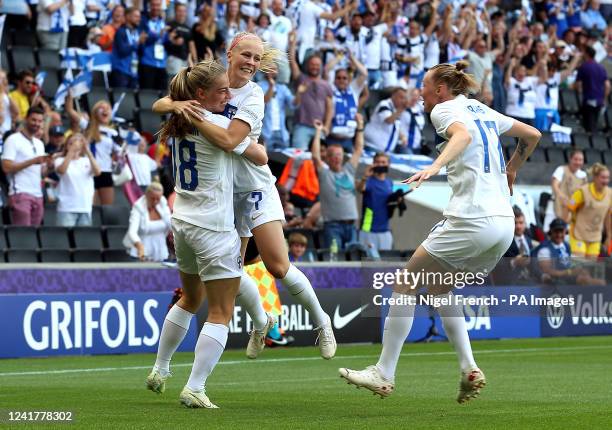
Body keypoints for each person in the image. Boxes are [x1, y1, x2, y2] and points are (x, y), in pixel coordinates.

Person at [339, 61, 542, 403]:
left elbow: (461, 135)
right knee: (438, 288)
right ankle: (468, 369)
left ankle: (384, 372)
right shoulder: (482, 108)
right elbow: (532, 135)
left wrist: (433, 166)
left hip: (472, 219)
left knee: (405, 281)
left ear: (440, 89)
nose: (420, 92)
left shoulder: (443, 110)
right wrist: (512, 169)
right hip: (503, 226)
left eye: (424, 85)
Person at [152, 32, 336, 360]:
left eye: (256, 57)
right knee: (233, 272)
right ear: (230, 52)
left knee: (277, 265)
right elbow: (163, 103)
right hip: (224, 191)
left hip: (252, 185)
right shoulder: (208, 81)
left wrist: (193, 115)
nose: (251, 62)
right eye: (246, 55)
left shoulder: (254, 95)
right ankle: (261, 321)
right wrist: (179, 105)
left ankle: (321, 321)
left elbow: (229, 139)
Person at [146, 61, 271, 408]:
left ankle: (160, 369)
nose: (228, 94)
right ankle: (195, 387)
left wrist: (171, 103)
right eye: (221, 91)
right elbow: (259, 155)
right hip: (213, 227)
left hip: (182, 221)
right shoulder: (216, 123)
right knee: (220, 311)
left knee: (189, 298)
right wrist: (249, 140)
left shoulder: (176, 119)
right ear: (200, 94)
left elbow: (160, 103)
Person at [312, 114, 364, 250]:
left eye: (339, 155)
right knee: (335, 260)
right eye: (333, 155)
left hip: (352, 226)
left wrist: (360, 127)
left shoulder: (349, 170)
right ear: (327, 158)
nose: (336, 158)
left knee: (353, 261)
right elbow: (315, 157)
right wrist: (318, 132)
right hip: (332, 226)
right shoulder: (325, 173)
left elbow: (358, 149)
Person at [66, 95, 121, 205]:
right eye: (102, 107)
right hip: (90, 171)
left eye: (108, 108)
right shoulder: (88, 126)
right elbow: (70, 110)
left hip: (106, 172)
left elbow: (118, 152)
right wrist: (70, 95)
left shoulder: (114, 132)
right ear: (95, 112)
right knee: (91, 208)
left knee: (107, 208)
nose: (105, 110)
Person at [1, 107, 49, 226]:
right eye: (33, 120)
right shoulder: (13, 140)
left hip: (38, 194)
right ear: (26, 119)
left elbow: (42, 173)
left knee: (35, 236)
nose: (37, 124)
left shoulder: (40, 144)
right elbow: (6, 167)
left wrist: (50, 166)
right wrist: (33, 161)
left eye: (40, 121)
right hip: (20, 192)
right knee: (23, 237)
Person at [288, 41, 334, 150]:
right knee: (298, 158)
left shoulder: (326, 84)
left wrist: (327, 126)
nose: (315, 67)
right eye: (312, 64)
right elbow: (292, 61)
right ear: (308, 66)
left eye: (317, 65)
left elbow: (330, 108)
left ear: (321, 66)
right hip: (301, 126)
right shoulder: (301, 78)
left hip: (319, 127)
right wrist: (292, 43)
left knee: (318, 160)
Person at [534, 218, 605, 285]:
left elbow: (567, 263)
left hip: (567, 276)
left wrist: (577, 270)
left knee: (587, 274)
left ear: (565, 232)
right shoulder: (545, 249)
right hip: (556, 280)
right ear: (551, 231)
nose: (559, 235)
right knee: (597, 283)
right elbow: (547, 271)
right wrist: (569, 272)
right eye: (556, 231)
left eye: (561, 231)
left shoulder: (565, 245)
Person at [54, 133, 101, 227]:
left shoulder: (87, 161)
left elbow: (98, 172)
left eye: (77, 143)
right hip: (67, 207)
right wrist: (71, 152)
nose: (74, 146)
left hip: (85, 207)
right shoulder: (59, 160)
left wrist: (87, 151)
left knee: (82, 239)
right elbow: (62, 170)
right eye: (70, 143)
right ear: (66, 146)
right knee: (66, 238)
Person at [566, 163, 611, 259]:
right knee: (579, 261)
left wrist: (609, 236)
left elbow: (608, 216)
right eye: (603, 177)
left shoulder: (610, 194)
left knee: (591, 264)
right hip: (578, 233)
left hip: (595, 235)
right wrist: (565, 226)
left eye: (607, 178)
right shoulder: (582, 192)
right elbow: (569, 209)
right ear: (595, 177)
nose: (606, 181)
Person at [358, 152, 396, 252]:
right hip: (368, 229)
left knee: (385, 264)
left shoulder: (389, 182)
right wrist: (364, 177)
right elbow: (360, 189)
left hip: (385, 229)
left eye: (383, 162)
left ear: (388, 164)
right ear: (373, 163)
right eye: (377, 162)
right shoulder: (369, 180)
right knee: (368, 263)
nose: (380, 164)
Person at [123, 182, 171, 261]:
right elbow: (132, 232)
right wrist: (140, 246)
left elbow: (171, 224)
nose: (155, 201)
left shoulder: (163, 203)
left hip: (161, 254)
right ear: (146, 195)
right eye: (152, 198)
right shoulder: (138, 207)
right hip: (140, 255)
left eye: (158, 198)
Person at [574, 46, 610, 133]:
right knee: (594, 124)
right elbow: (608, 85)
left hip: (589, 100)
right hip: (599, 101)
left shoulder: (584, 67)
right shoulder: (601, 68)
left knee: (589, 126)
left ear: (586, 54)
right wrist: (604, 99)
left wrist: (579, 92)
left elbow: (578, 85)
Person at [364, 87, 409, 154]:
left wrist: (402, 136)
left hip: (386, 151)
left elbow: (396, 125)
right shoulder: (384, 104)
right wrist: (401, 108)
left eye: (404, 98)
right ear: (393, 96)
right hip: (373, 147)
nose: (403, 101)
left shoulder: (396, 110)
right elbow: (389, 120)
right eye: (401, 97)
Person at [111, 7, 146, 89]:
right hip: (121, 71)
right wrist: (137, 43)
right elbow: (123, 51)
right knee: (121, 100)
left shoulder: (137, 32)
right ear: (127, 17)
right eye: (136, 16)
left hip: (133, 72)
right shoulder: (121, 31)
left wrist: (142, 44)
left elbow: (139, 52)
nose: (139, 19)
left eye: (139, 17)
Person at [551, 149, 587, 224]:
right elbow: (555, 185)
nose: (578, 162)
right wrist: (561, 196)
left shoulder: (583, 175)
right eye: (575, 159)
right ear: (570, 159)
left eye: (580, 160)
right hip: (557, 205)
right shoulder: (561, 169)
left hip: (573, 207)